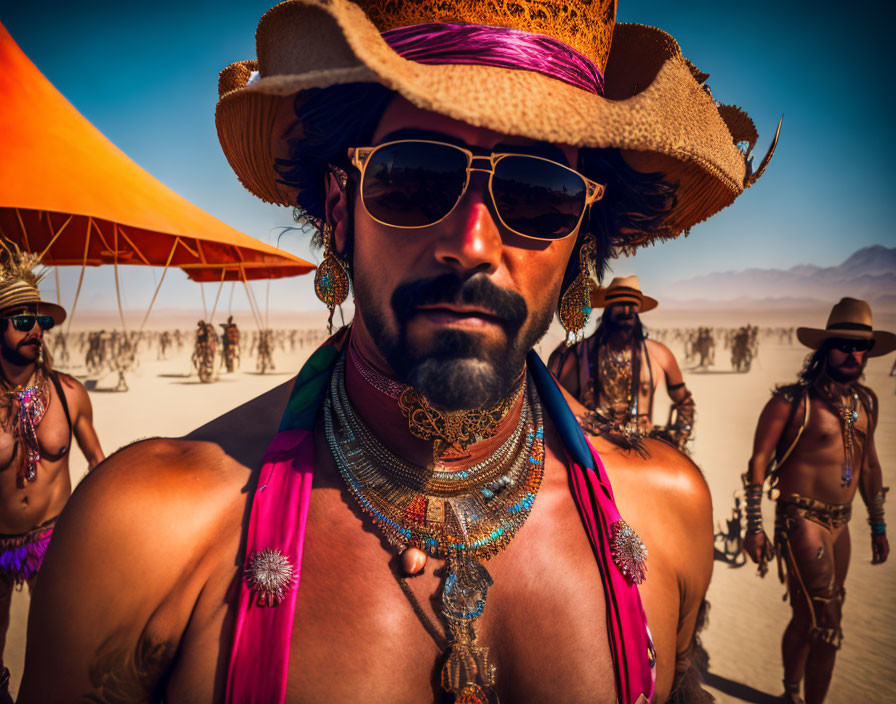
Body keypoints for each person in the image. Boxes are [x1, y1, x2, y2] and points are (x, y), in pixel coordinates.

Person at [18, 1, 776, 702]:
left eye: (538, 194)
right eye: (414, 181)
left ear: (580, 239)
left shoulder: (666, 509)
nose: (472, 246)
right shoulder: (147, 532)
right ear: (342, 212)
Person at [742, 298, 893, 704]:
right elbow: (758, 462)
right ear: (825, 348)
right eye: (842, 343)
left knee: (808, 616)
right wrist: (754, 526)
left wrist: (878, 525)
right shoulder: (792, 403)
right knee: (828, 622)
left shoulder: (866, 403)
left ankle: (791, 692)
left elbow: (871, 468)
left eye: (860, 345)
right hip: (800, 520)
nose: (852, 353)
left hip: (841, 524)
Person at [0, 241, 104, 696]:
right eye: (23, 322)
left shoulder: (69, 394)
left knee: (55, 651)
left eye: (40, 322)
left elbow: (98, 464)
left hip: (53, 540)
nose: (36, 332)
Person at [548, 276, 695, 451]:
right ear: (607, 310)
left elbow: (684, 401)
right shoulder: (579, 354)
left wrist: (677, 440)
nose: (626, 311)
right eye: (620, 305)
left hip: (641, 453)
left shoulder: (659, 355)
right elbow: (557, 404)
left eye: (631, 307)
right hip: (593, 453)